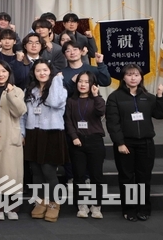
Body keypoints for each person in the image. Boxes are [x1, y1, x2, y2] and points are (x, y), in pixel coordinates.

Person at [105, 64, 163, 222]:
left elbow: (160, 114)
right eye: (129, 75)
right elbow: (113, 123)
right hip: (125, 143)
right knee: (127, 177)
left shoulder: (147, 96)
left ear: (141, 78)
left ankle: (144, 208)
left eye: (136, 75)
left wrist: (160, 96)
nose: (133, 78)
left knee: (144, 177)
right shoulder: (115, 97)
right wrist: (119, 143)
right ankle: (129, 209)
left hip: (146, 143)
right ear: (123, 77)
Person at [20, 59, 68, 223]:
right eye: (38, 70)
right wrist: (22, 133)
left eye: (45, 70)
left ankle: (54, 204)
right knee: (36, 172)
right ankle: (40, 201)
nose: (42, 73)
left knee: (49, 171)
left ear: (51, 72)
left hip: (51, 133)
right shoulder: (30, 90)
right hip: (33, 133)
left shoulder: (59, 88)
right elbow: (24, 115)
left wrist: (56, 79)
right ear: (33, 73)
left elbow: (54, 102)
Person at [0, 61, 27, 221]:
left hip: (10, 136)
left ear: (9, 73)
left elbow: (19, 111)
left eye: (4, 71)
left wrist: (10, 93)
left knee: (12, 173)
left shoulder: (17, 91)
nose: (0, 74)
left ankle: (12, 207)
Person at [64, 71, 106, 219]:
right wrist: (74, 137)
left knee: (96, 176)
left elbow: (101, 111)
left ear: (92, 84)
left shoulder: (97, 100)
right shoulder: (71, 101)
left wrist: (96, 95)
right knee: (79, 175)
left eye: (87, 82)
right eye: (80, 81)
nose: (83, 84)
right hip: (77, 142)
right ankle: (82, 205)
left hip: (95, 141)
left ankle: (96, 206)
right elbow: (68, 121)